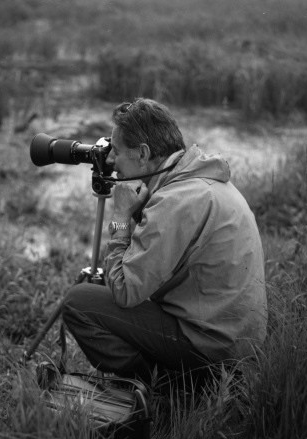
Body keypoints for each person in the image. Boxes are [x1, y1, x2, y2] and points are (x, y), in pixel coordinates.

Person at [61, 98, 267, 387]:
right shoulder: (200, 180)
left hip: (212, 352)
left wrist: (121, 215)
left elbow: (124, 290)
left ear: (143, 153)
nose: (109, 161)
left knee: (78, 302)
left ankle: (166, 388)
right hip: (236, 340)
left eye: (117, 152)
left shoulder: (175, 202)